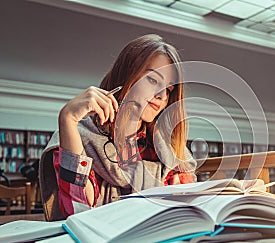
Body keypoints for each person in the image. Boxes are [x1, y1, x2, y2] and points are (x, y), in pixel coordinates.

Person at [40, 34, 197, 219]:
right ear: (125, 75)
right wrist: (67, 119)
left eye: (169, 89)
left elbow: (184, 216)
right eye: (153, 80)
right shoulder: (77, 137)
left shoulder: (171, 151)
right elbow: (76, 212)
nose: (162, 96)